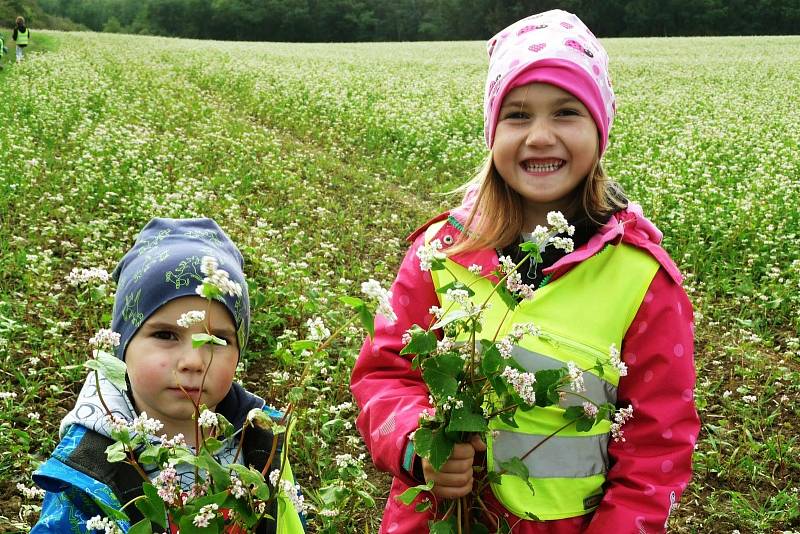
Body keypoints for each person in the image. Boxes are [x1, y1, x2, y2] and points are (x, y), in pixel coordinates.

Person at [351, 9, 699, 533]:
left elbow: (657, 445)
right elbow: (384, 374)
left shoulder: (642, 278)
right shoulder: (441, 251)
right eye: (517, 115)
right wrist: (418, 446)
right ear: (492, 131)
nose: (539, 136)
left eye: (565, 113)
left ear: (599, 129)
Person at [32, 218, 305, 533]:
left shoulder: (262, 437)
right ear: (122, 346)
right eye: (165, 335)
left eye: (217, 340)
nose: (194, 361)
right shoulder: (87, 466)